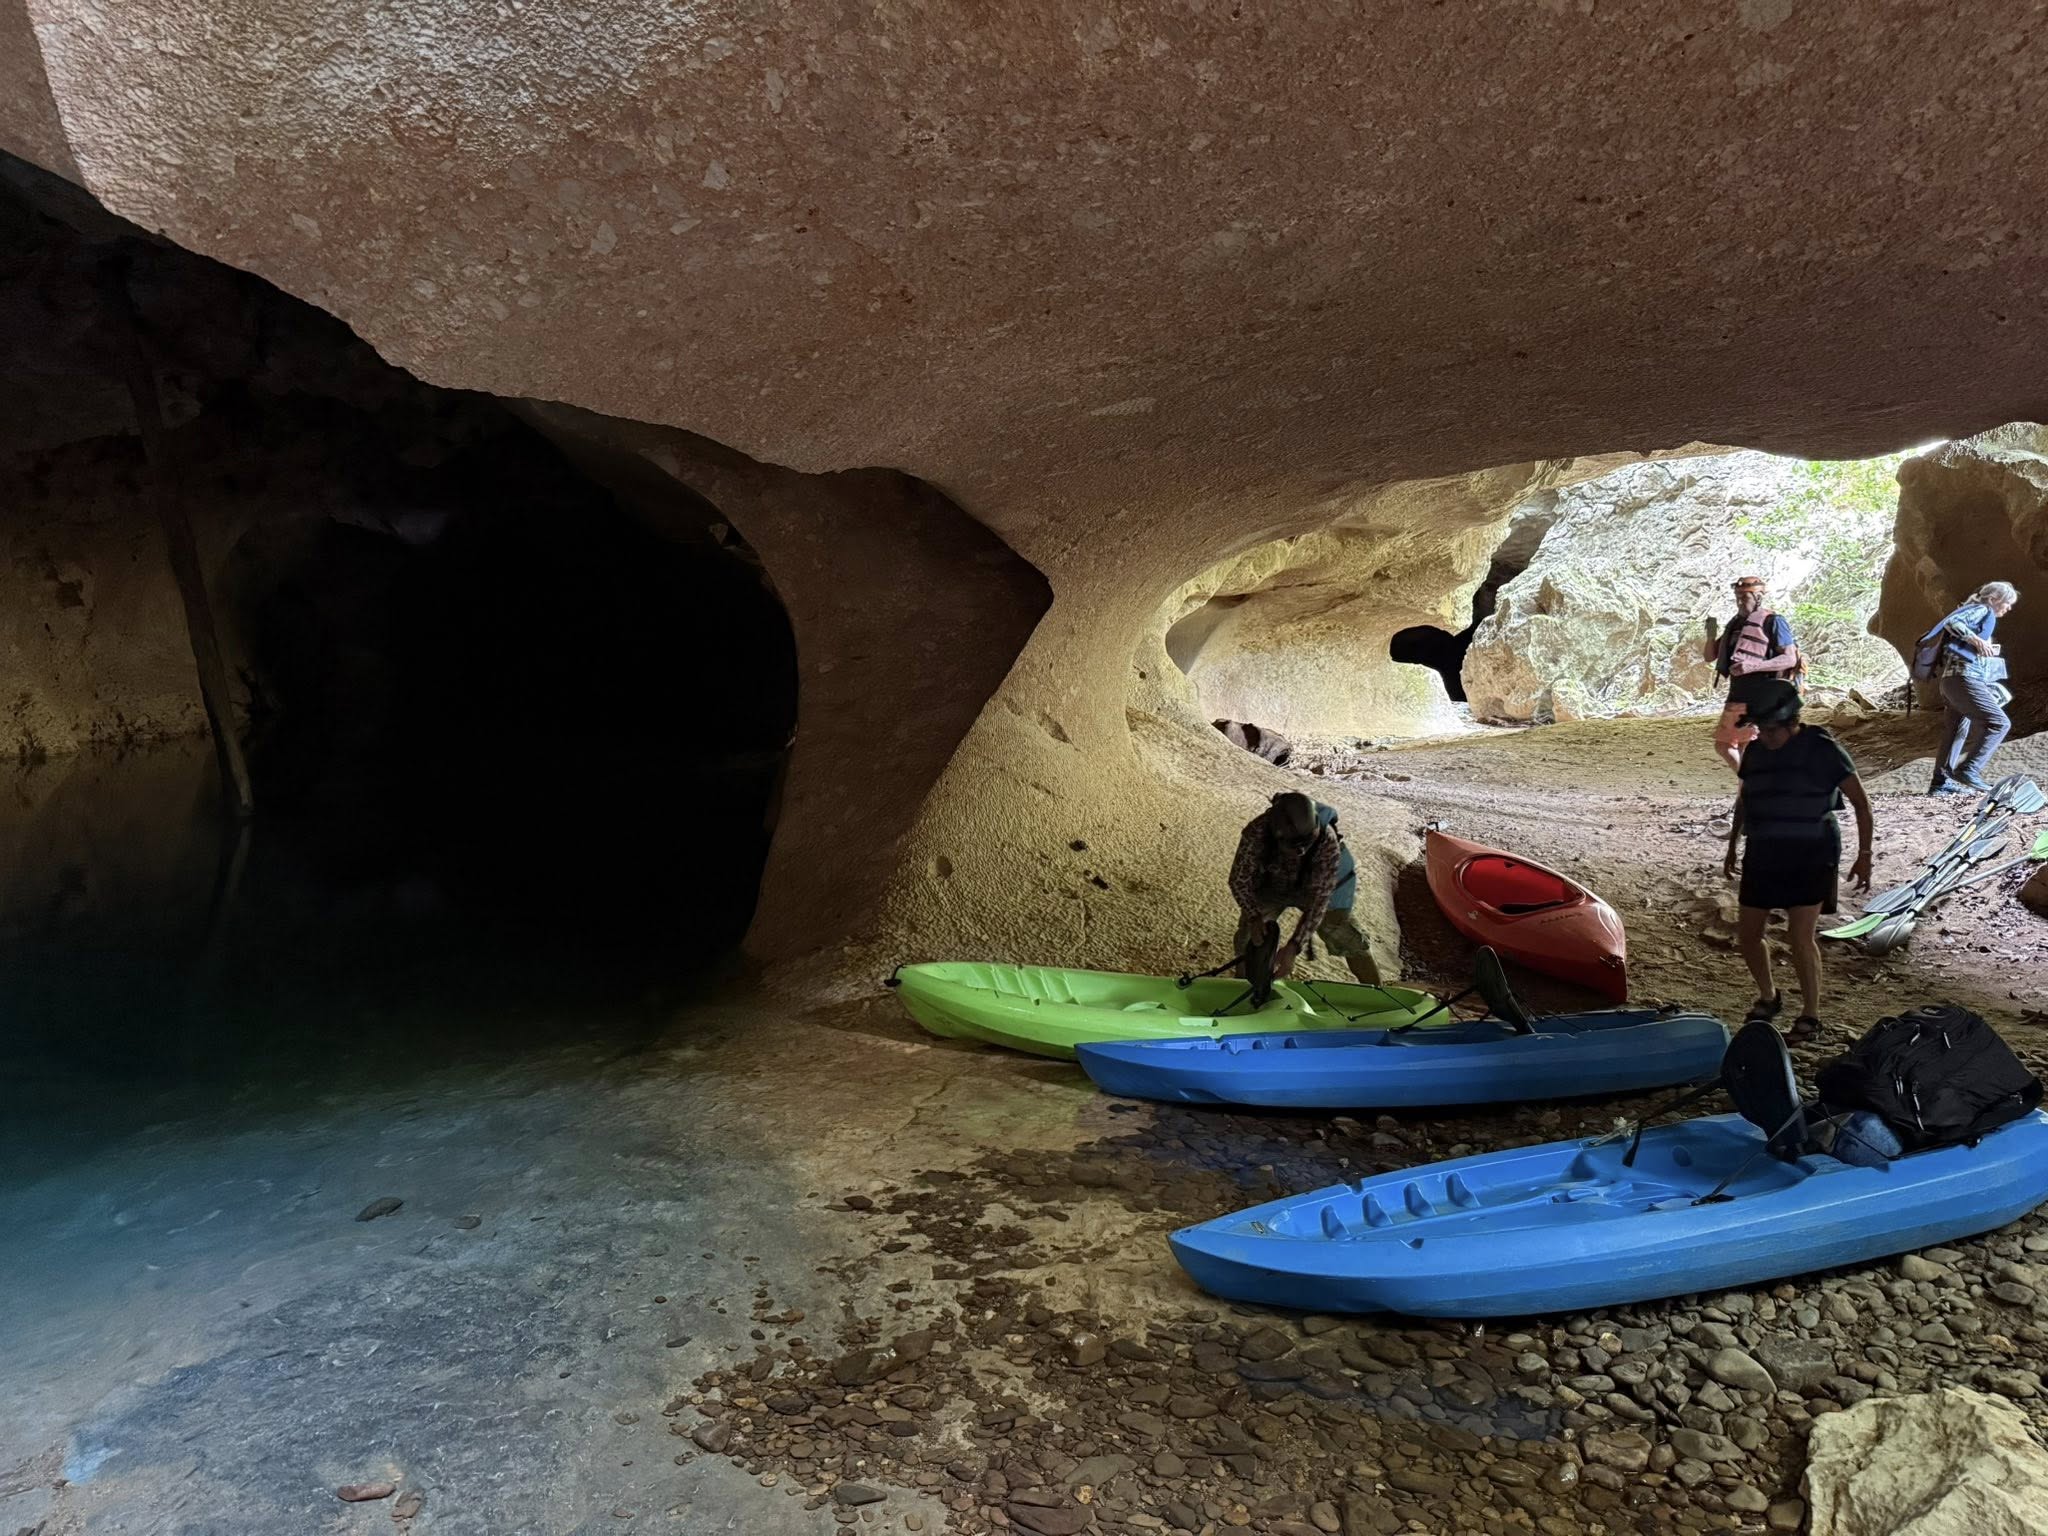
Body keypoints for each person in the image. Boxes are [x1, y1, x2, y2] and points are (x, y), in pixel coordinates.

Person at [1721, 679, 1874, 1042]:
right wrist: (1733, 844)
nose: (1765, 737)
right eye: (1760, 729)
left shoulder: (1823, 750)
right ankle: (1768, 996)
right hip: (1764, 847)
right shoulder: (1756, 751)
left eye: (1772, 730)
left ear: (1792, 722)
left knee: (1800, 935)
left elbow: (1861, 804)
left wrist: (1864, 855)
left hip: (1812, 849)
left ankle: (1810, 1015)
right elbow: (1745, 800)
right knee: (1748, 934)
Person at [1228, 791, 1382, 985]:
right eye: (1295, 845)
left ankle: (1377, 989)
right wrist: (1254, 916)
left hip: (1313, 886)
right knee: (1249, 938)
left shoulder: (1326, 840)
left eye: (1306, 843)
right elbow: (1239, 880)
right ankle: (1241, 984)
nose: (1301, 851)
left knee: (1345, 936)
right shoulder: (1257, 832)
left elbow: (1319, 902)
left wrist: (1294, 946)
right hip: (1272, 883)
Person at [1926, 581, 2021, 795]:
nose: (2009, 608)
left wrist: (1982, 646)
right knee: (1999, 723)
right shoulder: (1982, 609)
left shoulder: (1974, 611)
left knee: (1956, 731)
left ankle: (1940, 784)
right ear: (1994, 599)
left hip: (1951, 682)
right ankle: (1969, 769)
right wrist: (1978, 641)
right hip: (1964, 680)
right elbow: (1952, 622)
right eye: (2007, 603)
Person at [1700, 575, 1801, 773]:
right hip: (1738, 694)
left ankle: (1752, 788)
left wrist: (1753, 666)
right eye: (1737, 597)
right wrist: (1711, 634)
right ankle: (1751, 784)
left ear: (1758, 597)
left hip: (1763, 696)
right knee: (1724, 745)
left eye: (1744, 597)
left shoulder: (1774, 621)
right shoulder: (1736, 624)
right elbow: (1709, 656)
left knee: (1748, 748)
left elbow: (1789, 659)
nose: (1740, 601)